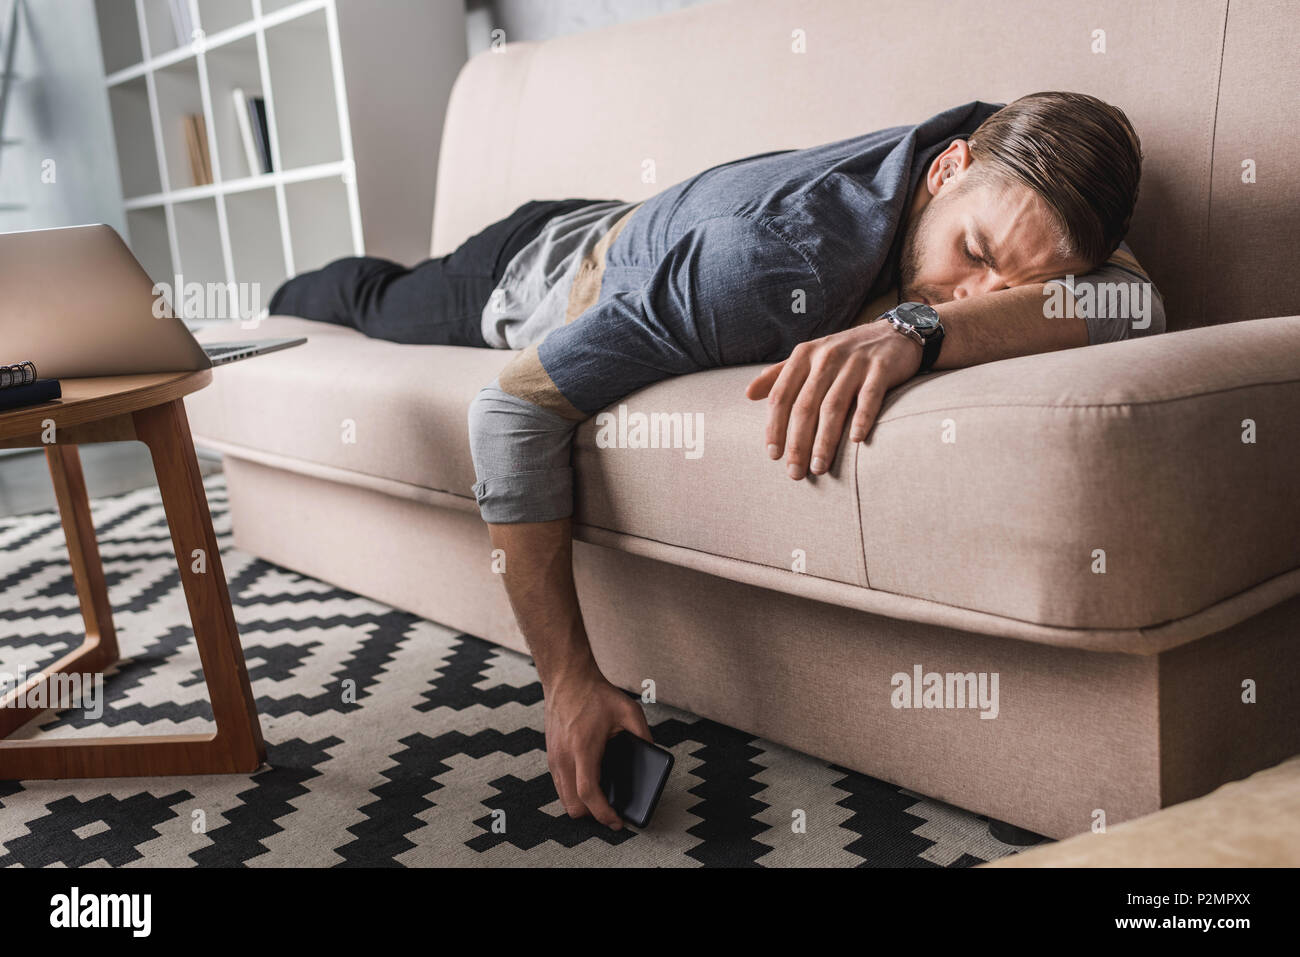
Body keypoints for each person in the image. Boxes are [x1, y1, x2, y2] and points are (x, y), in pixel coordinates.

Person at [270, 91, 1164, 831]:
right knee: (371, 297)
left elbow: (1138, 303)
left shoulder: (1018, 170)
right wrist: (569, 681)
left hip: (656, 231)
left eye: (1018, 291)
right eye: (974, 257)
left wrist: (920, 326)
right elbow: (510, 410)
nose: (976, 297)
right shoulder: (774, 266)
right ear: (946, 170)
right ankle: (275, 295)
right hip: (530, 271)